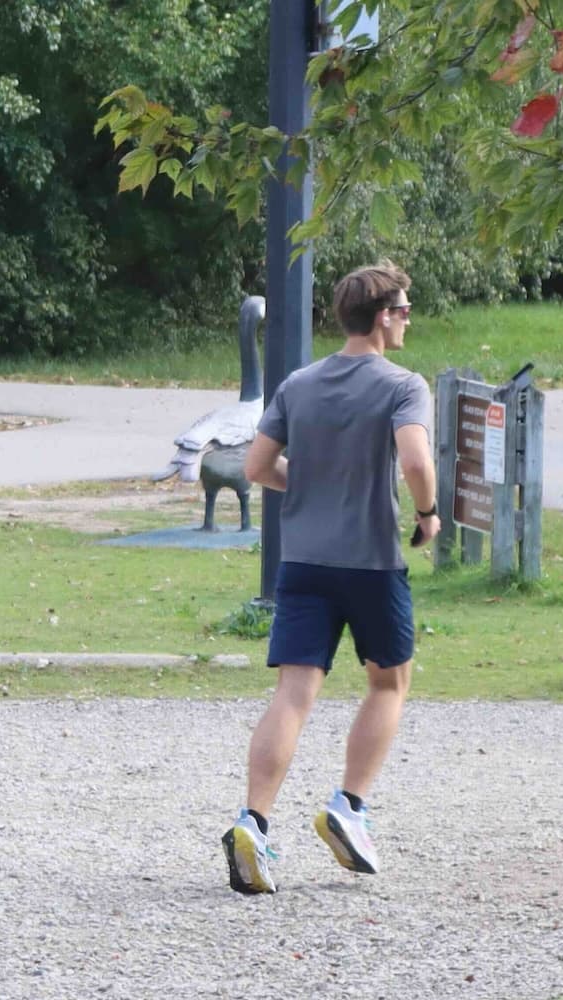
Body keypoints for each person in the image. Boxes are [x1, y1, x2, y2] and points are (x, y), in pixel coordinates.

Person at [222, 262, 440, 895]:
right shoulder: (404, 385)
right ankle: (349, 807)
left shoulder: (299, 383)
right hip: (372, 563)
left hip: (304, 563)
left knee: (294, 694)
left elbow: (257, 465)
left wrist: (313, 484)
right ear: (381, 317)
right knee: (389, 683)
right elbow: (417, 460)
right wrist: (427, 515)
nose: (407, 318)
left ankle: (254, 823)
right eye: (403, 308)